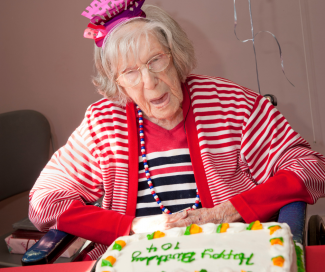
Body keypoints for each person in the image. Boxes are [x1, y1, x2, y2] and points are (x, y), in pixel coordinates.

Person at [29, 0, 325, 260]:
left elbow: (312, 169)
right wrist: (132, 226)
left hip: (230, 256)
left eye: (155, 60)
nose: (149, 81)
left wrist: (228, 211)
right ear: (116, 81)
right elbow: (44, 202)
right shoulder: (103, 124)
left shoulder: (233, 105)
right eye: (130, 71)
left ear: (176, 54)